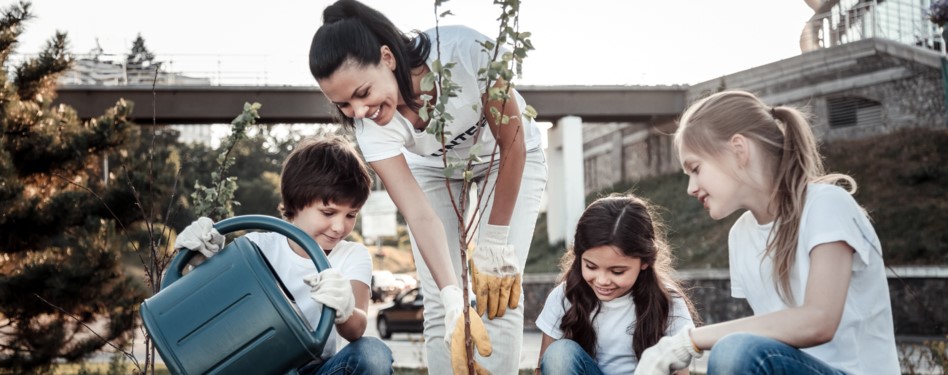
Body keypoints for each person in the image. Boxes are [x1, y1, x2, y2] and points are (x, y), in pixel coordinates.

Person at [308, 1, 548, 373]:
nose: (357, 111)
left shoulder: (467, 53)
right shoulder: (370, 127)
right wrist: (454, 296)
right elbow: (419, 214)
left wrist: (495, 244)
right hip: (432, 170)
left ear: (387, 57)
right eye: (343, 104)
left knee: (496, 293)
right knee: (439, 302)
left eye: (362, 92)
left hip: (510, 158)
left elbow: (512, 145)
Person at [635, 90, 899, 374]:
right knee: (735, 350)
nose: (691, 187)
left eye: (696, 168)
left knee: (735, 351)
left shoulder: (826, 205)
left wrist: (688, 341)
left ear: (739, 149)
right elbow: (773, 338)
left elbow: (819, 321)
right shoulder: (740, 236)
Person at [174, 136, 393, 375]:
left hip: (315, 369)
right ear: (296, 203)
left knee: (373, 353)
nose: (340, 226)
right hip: (257, 368)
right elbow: (209, 311)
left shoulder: (352, 255)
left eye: (351, 215)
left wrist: (345, 309)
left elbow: (356, 329)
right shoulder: (256, 247)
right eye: (328, 212)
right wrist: (201, 263)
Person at [535, 194, 697, 375]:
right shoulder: (565, 297)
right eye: (591, 266)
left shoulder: (668, 301)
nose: (602, 280)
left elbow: (680, 372)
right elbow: (544, 366)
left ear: (645, 261)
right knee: (559, 355)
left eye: (617, 271)